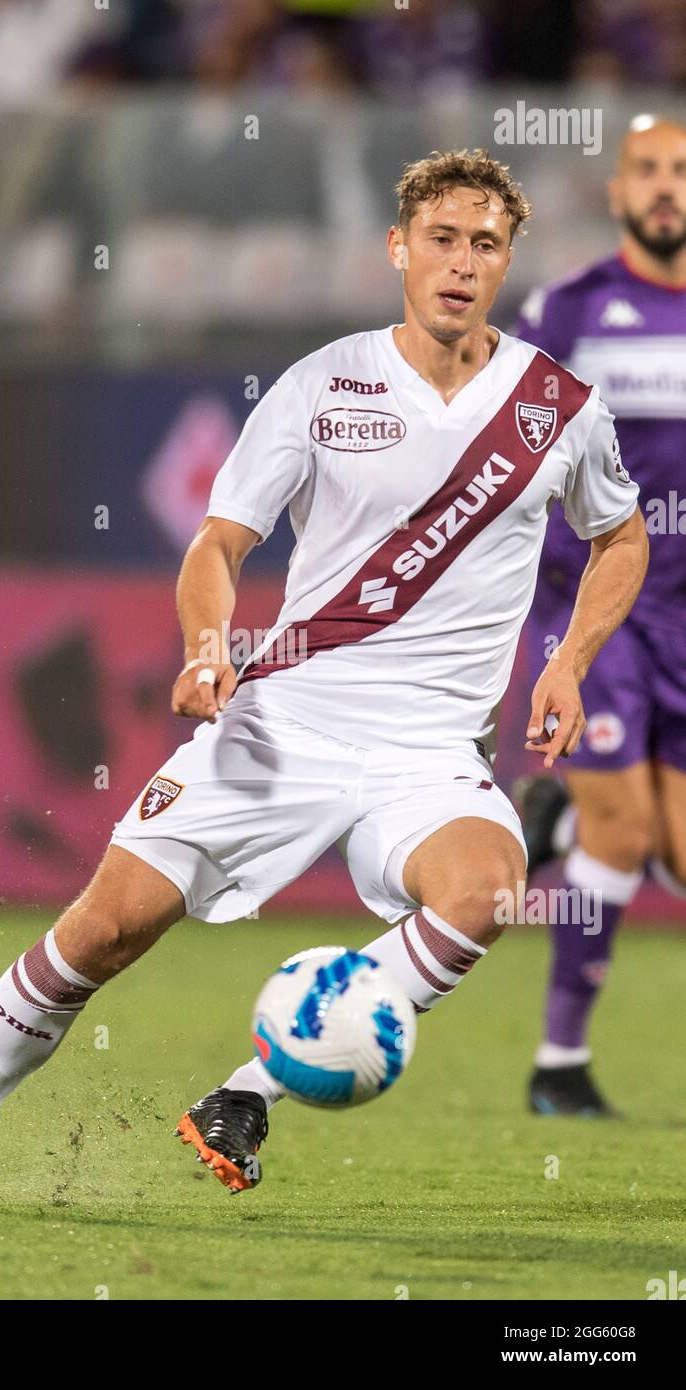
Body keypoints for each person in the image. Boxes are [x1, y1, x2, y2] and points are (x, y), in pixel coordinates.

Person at [0, 149, 646, 1209]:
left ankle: (246, 1091)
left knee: (484, 892)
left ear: (507, 259)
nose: (460, 262)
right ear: (396, 249)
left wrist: (567, 662)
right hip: (283, 716)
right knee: (102, 930)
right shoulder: (320, 386)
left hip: (426, 751)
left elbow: (619, 538)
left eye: (483, 244)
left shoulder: (556, 407)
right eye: (439, 238)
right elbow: (217, 546)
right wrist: (207, 646)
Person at [514, 115, 686, 1117]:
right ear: (616, 194)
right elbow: (507, 436)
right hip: (599, 599)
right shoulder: (569, 309)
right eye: (646, 172)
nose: (664, 187)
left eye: (680, 172)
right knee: (623, 838)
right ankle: (557, 1065)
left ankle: (564, 811)